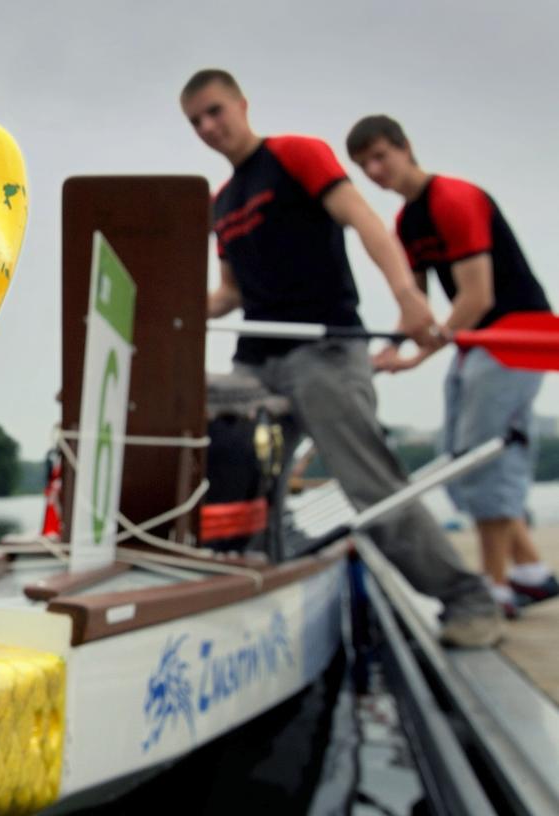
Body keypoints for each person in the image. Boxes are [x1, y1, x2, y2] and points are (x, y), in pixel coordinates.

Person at [179, 69, 502, 647]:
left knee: (369, 484)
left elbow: (365, 219)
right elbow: (228, 294)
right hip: (256, 362)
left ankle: (467, 598)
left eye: (215, 111)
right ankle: (238, 562)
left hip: (325, 351)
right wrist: (167, 305)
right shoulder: (220, 203)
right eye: (196, 121)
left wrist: (408, 298)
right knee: (196, 417)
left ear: (242, 104)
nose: (208, 127)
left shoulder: (295, 155)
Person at [346, 114, 558, 618]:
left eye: (380, 156)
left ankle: (496, 587)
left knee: (484, 458)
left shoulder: (455, 199)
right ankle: (530, 573)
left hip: (515, 336)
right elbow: (417, 301)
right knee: (456, 455)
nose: (375, 171)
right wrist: (394, 347)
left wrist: (420, 353)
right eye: (364, 165)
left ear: (404, 148)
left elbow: (476, 295)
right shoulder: (407, 221)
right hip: (475, 343)